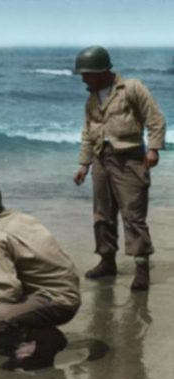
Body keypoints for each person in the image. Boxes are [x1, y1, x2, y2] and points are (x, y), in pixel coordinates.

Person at [0, 179, 81, 370]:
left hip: (57, 300)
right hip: (64, 290)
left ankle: (48, 339)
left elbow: (9, 289)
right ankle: (38, 341)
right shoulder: (17, 217)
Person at [72, 45, 166, 291]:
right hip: (101, 160)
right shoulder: (91, 98)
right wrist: (84, 164)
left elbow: (155, 119)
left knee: (133, 215)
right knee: (102, 214)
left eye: (86, 73)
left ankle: (141, 266)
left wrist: (153, 149)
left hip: (130, 160)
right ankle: (107, 261)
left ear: (102, 71)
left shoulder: (132, 88)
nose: (83, 78)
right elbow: (87, 133)